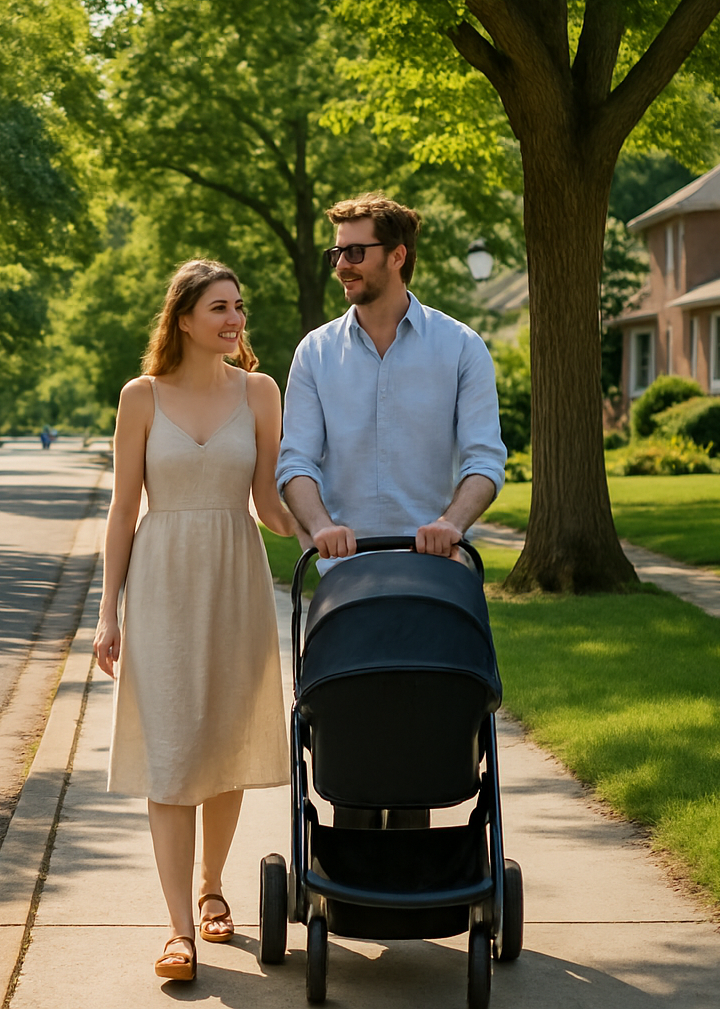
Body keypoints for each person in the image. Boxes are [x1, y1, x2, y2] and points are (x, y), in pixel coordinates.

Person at [94, 259, 298, 983]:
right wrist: (107, 612)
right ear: (183, 318)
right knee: (173, 749)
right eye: (219, 307)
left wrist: (321, 539)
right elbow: (123, 510)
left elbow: (271, 503)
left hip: (236, 577)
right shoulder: (141, 396)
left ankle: (215, 886)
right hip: (162, 583)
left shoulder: (262, 392)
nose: (235, 319)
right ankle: (179, 929)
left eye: (238, 306)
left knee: (224, 741)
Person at [276, 193, 506, 828]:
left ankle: (417, 887)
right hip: (345, 582)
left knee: (420, 742)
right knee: (349, 742)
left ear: (398, 256)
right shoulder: (315, 354)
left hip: (434, 579)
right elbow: (295, 462)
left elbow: (485, 460)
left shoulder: (461, 348)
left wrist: (451, 525)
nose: (342, 263)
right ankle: (346, 889)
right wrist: (320, 527)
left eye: (356, 251)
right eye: (336, 252)